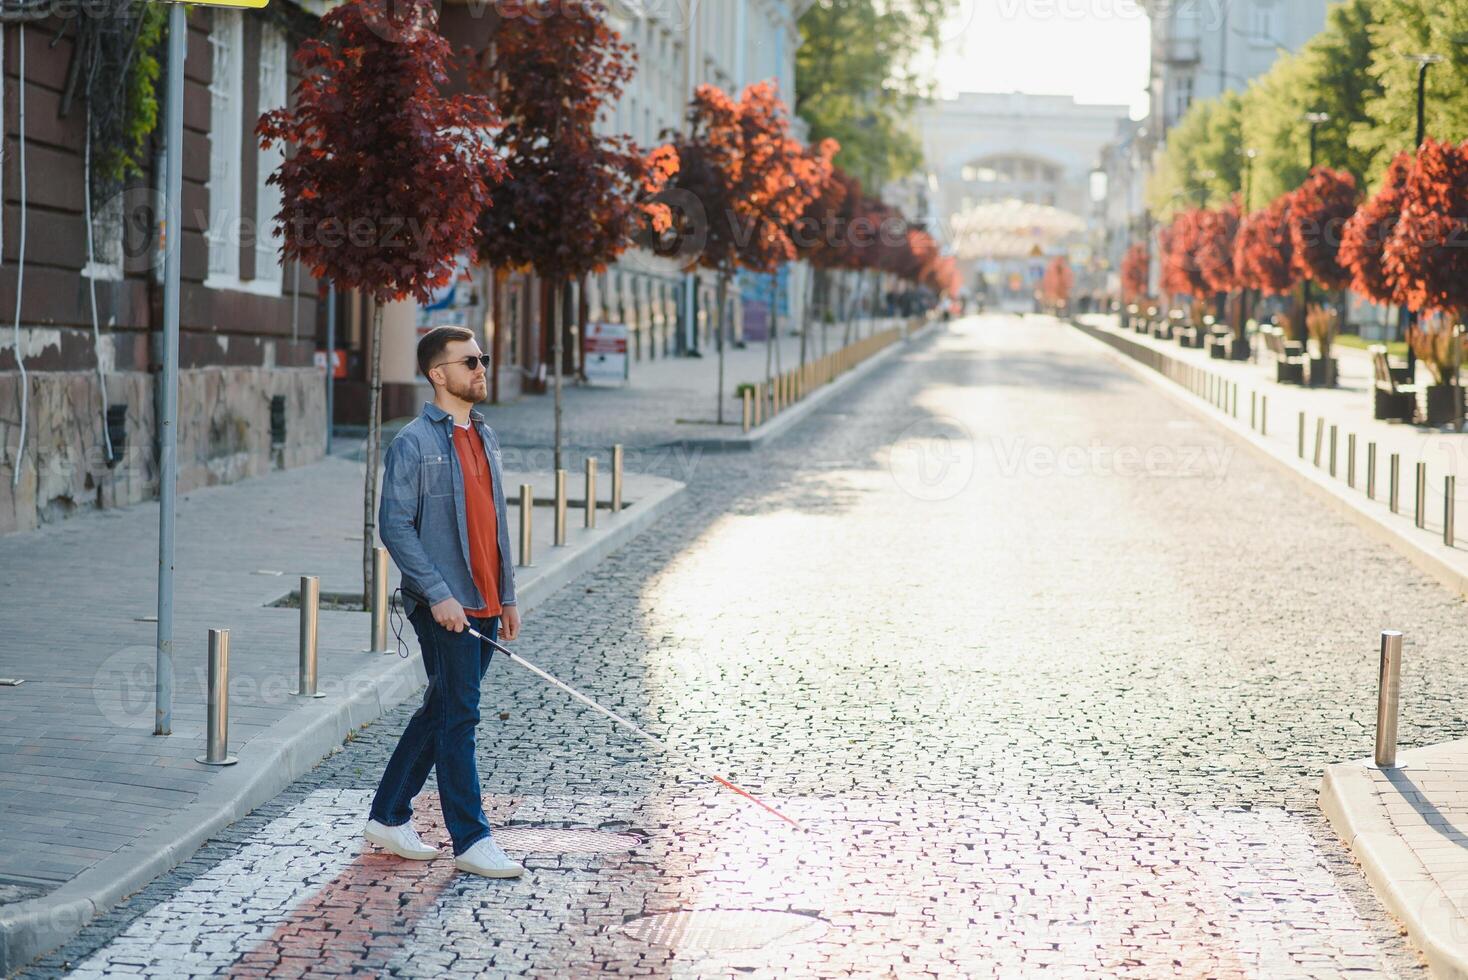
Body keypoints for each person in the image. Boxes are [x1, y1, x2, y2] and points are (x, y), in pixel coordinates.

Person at [363, 325, 524, 878]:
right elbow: (395, 527)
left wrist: (507, 596)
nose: (482, 368)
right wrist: (438, 596)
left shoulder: (484, 434)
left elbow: (496, 525)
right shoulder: (413, 442)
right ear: (439, 374)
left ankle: (388, 814)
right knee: (460, 714)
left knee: (442, 708)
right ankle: (471, 838)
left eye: (483, 359)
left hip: (483, 600)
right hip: (444, 606)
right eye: (470, 361)